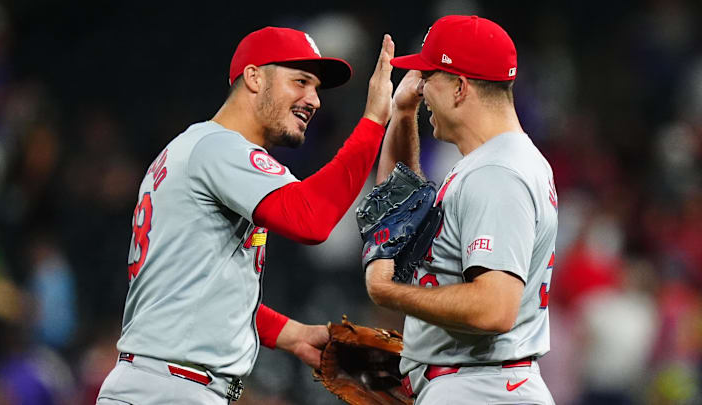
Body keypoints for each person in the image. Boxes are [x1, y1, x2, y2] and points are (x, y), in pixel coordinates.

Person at [96, 27, 395, 404]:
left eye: (316, 88)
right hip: (171, 389)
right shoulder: (220, 149)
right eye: (300, 81)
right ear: (254, 77)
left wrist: (294, 335)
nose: (314, 100)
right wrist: (373, 121)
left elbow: (196, 294)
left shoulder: (194, 149)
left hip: (161, 383)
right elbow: (311, 219)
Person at [364, 15, 558, 404]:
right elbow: (402, 210)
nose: (419, 86)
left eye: (427, 75)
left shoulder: (497, 173)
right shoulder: (493, 161)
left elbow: (494, 308)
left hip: (480, 386)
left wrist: (388, 291)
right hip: (479, 383)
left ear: (459, 87)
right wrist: (402, 116)